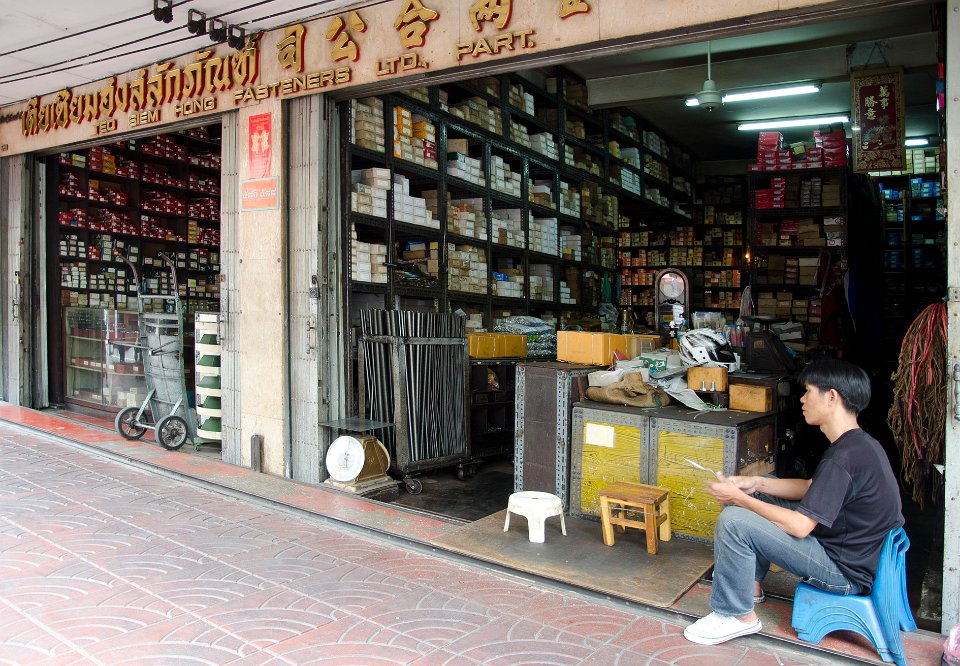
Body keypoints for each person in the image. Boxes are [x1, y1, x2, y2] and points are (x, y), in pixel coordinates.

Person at [683, 358, 903, 646]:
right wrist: (755, 484)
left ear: (831, 397)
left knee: (734, 520)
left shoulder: (845, 457)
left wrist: (738, 499)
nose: (802, 399)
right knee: (756, 494)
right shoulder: (858, 444)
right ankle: (749, 589)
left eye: (808, 391)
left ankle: (737, 615)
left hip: (843, 572)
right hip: (850, 555)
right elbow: (811, 487)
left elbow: (800, 526)